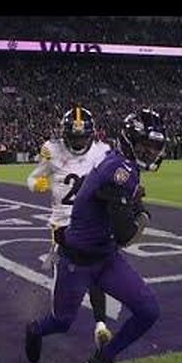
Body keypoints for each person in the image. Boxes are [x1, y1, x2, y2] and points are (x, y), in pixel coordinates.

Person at [24, 109, 166, 363]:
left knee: (149, 310)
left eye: (154, 146)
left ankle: (104, 358)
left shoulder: (119, 163)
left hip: (105, 258)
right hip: (76, 259)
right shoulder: (119, 170)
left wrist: (132, 203)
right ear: (130, 140)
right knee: (61, 322)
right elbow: (126, 234)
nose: (151, 152)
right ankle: (35, 330)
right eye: (146, 146)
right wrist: (142, 215)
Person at [26, 106, 115, 348]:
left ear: (91, 134)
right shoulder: (52, 150)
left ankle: (100, 325)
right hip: (62, 225)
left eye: (82, 136)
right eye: (74, 137)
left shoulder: (102, 152)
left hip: (91, 222)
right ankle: (47, 323)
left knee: (98, 271)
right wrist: (39, 184)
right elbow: (31, 179)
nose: (78, 141)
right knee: (66, 294)